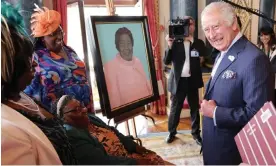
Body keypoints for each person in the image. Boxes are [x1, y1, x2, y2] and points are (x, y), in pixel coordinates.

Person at [200, 2, 274, 165]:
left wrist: (215, 112)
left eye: (216, 27)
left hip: (233, 154)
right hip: (215, 145)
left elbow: (258, 116)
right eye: (206, 29)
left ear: (233, 23)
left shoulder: (254, 59)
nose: (211, 35)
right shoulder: (222, 53)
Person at [1, 2, 62, 164]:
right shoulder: (7, 134)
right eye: (28, 61)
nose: (34, 64)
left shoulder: (20, 97)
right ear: (10, 69)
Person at [55, 95, 172, 165]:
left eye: (81, 106)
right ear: (64, 117)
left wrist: (135, 147)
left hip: (127, 155)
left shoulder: (91, 118)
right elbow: (103, 162)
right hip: (120, 163)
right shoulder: (73, 136)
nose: (83, 110)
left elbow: (113, 132)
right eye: (76, 110)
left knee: (156, 159)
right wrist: (137, 163)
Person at [24, 6, 94, 113]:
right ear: (43, 38)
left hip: (84, 112)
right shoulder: (37, 58)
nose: (59, 36)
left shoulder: (70, 51)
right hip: (59, 119)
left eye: (60, 31)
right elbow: (30, 93)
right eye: (53, 34)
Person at [163, 16, 206, 144]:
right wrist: (169, 46)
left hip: (192, 80)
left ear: (194, 26)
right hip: (178, 81)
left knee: (194, 108)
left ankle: (196, 134)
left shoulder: (198, 42)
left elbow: (204, 53)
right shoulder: (175, 42)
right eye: (187, 24)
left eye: (191, 24)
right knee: (175, 108)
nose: (189, 26)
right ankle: (171, 132)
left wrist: (191, 40)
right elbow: (166, 61)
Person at [104, 27, 152, 109]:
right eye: (122, 44)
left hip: (141, 105)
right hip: (124, 111)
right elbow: (115, 101)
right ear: (117, 46)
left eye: (129, 43)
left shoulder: (137, 61)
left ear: (132, 44)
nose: (126, 47)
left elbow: (146, 87)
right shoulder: (110, 67)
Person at [258, 26, 276, 104]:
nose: (263, 37)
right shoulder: (258, 48)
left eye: (266, 35)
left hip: (274, 83)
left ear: (271, 35)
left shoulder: (275, 49)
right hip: (261, 83)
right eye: (261, 35)